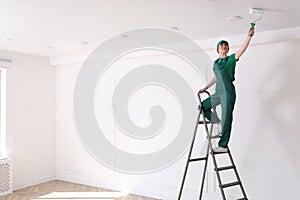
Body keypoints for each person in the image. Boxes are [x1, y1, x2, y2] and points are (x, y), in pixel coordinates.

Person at [198, 28, 255, 153]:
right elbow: (216, 77)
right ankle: (217, 123)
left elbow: (242, 50)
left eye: (225, 45)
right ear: (217, 49)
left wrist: (249, 36)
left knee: (227, 117)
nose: (224, 46)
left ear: (228, 49)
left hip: (228, 92)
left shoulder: (231, 60)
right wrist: (206, 87)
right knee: (202, 107)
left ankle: (223, 145)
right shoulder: (216, 62)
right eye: (221, 45)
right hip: (219, 92)